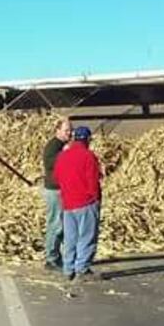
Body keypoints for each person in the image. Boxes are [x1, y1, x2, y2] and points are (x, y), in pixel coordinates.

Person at [54, 125, 102, 282]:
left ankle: (68, 269)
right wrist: (95, 198)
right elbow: (93, 180)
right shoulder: (89, 156)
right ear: (87, 140)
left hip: (68, 203)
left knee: (70, 237)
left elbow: (57, 178)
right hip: (86, 201)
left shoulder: (62, 156)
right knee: (87, 236)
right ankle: (82, 268)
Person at [41, 118, 71, 272]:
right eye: (66, 130)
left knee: (61, 224)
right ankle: (51, 259)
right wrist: (64, 154)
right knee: (55, 224)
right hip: (54, 190)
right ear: (57, 130)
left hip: (60, 189)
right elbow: (50, 163)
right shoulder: (53, 146)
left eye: (70, 130)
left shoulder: (61, 145)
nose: (69, 133)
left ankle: (58, 256)